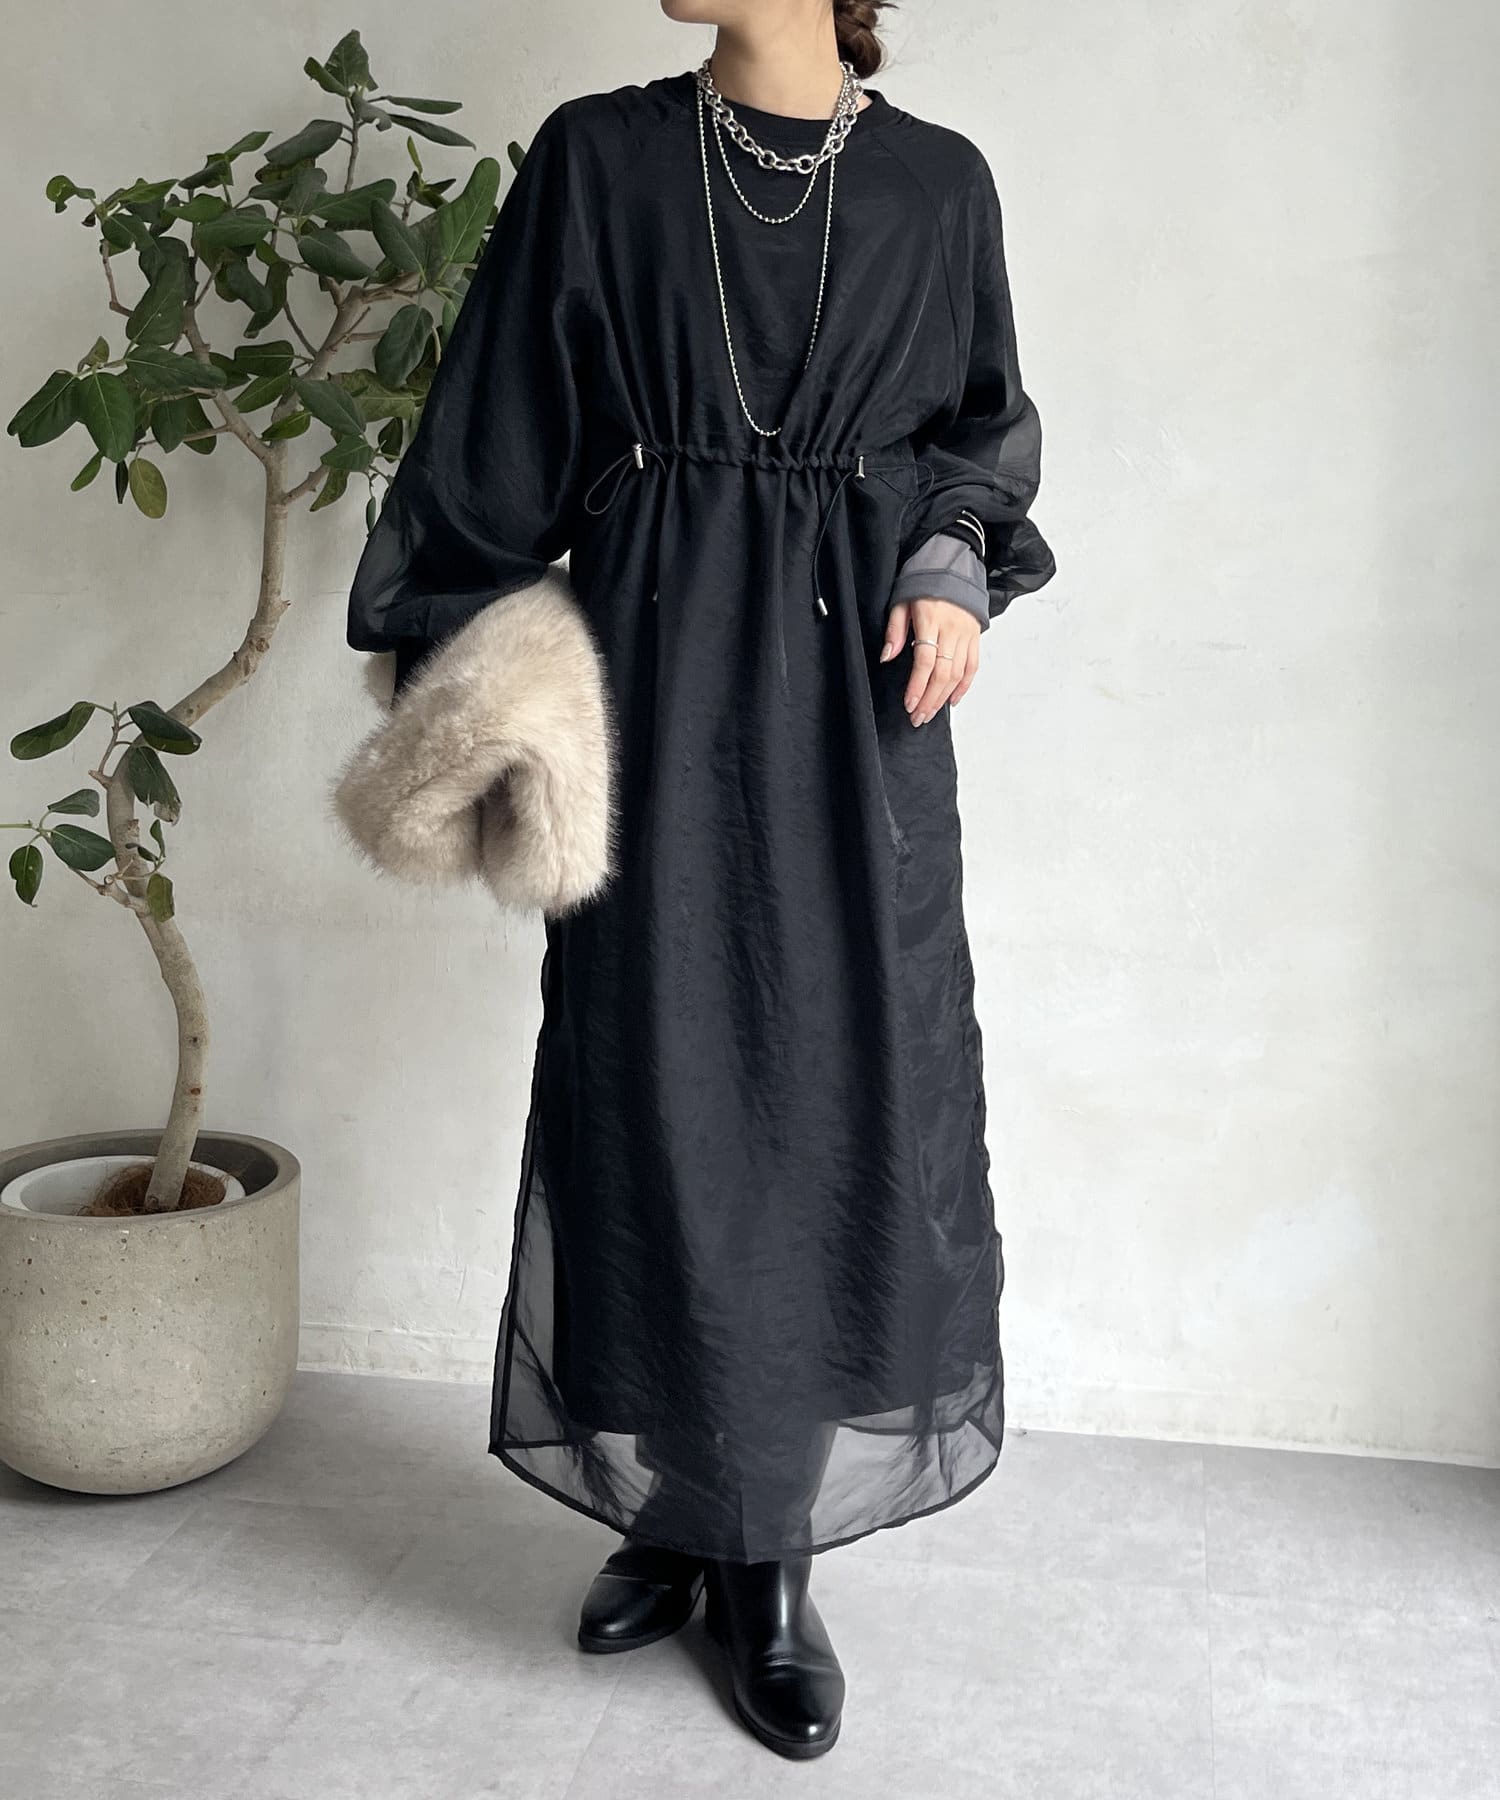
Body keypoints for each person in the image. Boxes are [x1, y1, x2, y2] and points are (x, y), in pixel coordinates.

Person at [345, 0, 1055, 1761]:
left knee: (834, 1097)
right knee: (646, 1085)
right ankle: (679, 1502)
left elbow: (978, 430)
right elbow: (492, 443)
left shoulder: (941, 186)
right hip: (645, 689)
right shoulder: (600, 159)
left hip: (856, 715)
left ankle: (771, 1549)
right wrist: (475, 690)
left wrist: (954, 558)